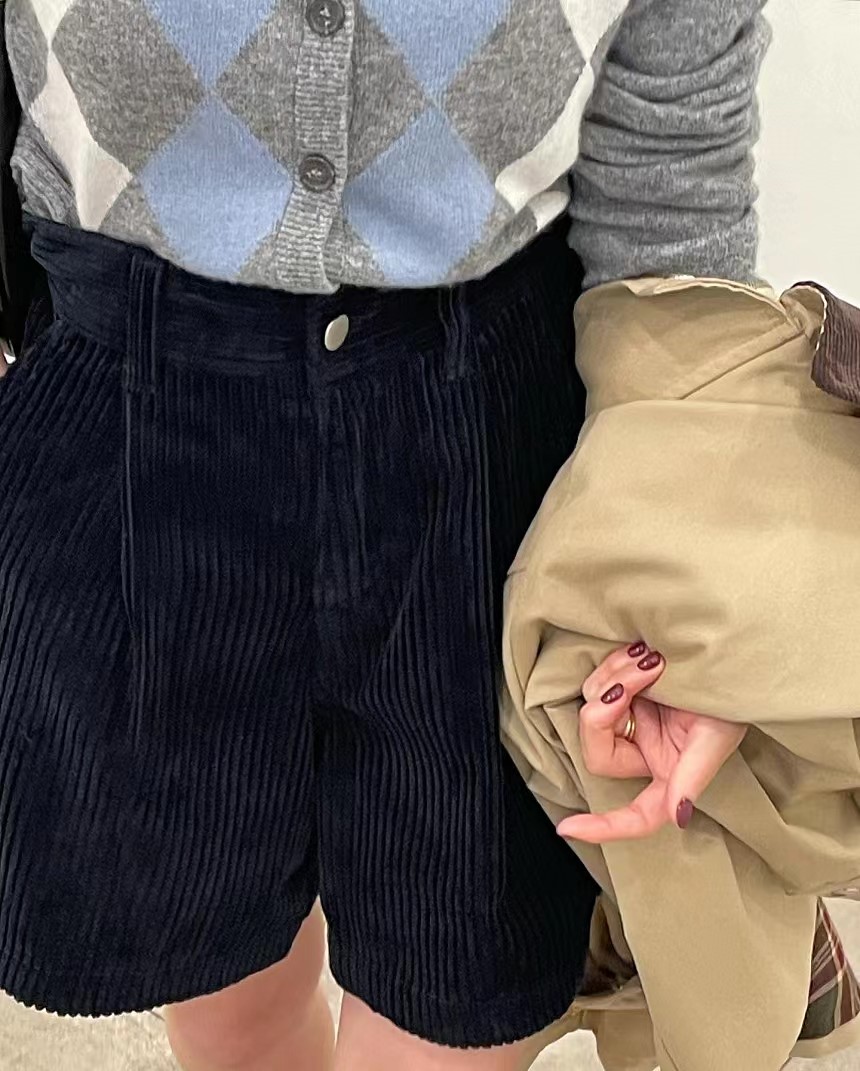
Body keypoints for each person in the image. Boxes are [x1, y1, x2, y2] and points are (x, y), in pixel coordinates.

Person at [0, 2, 772, 1069]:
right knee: (222, 991)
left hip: (493, 453)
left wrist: (688, 572)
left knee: (455, 1001)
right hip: (126, 430)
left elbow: (670, 189)